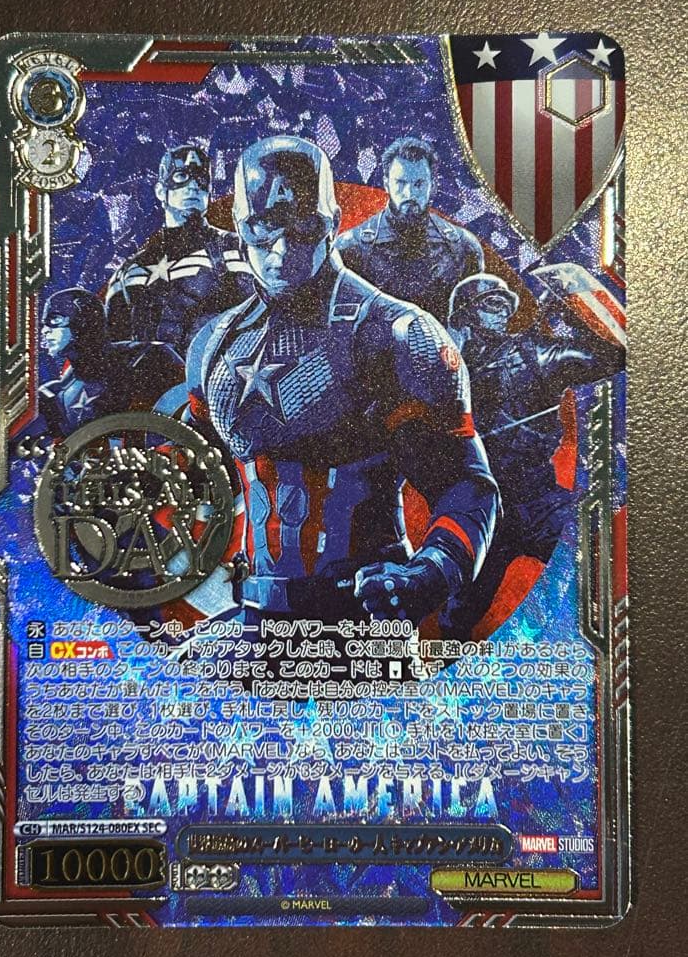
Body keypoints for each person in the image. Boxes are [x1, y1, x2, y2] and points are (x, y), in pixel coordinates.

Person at [186, 136, 499, 627]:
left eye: (303, 227)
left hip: (366, 619)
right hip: (256, 617)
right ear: (241, 230)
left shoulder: (396, 333)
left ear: (331, 223)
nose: (283, 249)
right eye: (265, 228)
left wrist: (429, 574)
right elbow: (197, 478)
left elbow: (466, 484)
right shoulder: (212, 347)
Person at [443, 272, 620, 636]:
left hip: (537, 501)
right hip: (482, 511)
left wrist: (572, 316)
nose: (504, 313)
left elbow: (605, 359)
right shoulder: (443, 370)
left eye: (506, 306)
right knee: (457, 616)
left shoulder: (532, 354)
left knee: (598, 555)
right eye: (493, 304)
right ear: (465, 314)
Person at [105, 144, 252, 353]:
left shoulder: (236, 248)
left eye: (201, 179)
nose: (193, 187)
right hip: (151, 373)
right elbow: (112, 349)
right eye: (182, 176)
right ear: (160, 191)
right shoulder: (130, 272)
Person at [335, 136, 483, 326]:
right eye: (401, 183)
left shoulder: (463, 248)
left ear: (433, 185)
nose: (409, 194)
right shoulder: (350, 248)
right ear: (386, 183)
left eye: (419, 184)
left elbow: (473, 327)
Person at [38, 287, 111, 435]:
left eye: (55, 319)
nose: (44, 331)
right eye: (45, 323)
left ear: (82, 322)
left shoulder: (131, 362)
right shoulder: (56, 390)